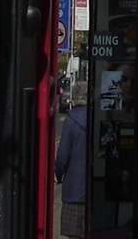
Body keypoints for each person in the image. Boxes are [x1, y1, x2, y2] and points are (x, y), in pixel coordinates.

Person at [55, 81, 89, 238]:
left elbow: (63, 155)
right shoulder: (97, 117)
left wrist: (59, 174)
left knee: (74, 234)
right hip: (93, 188)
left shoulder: (71, 121)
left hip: (73, 190)